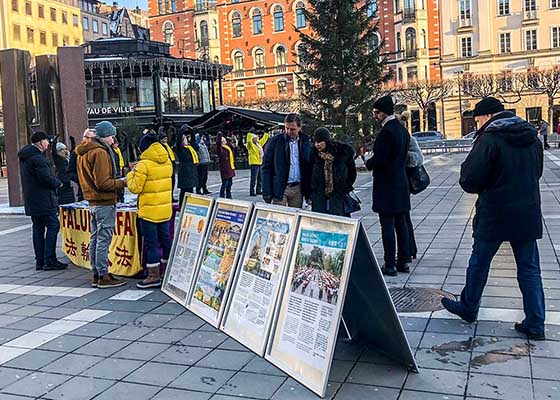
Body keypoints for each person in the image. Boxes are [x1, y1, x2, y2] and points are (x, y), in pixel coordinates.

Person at [441, 97, 546, 340]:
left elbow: (470, 180)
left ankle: (468, 307)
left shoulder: (489, 139)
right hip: (527, 213)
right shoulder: (531, 137)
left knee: (479, 262)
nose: (477, 124)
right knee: (530, 268)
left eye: (477, 119)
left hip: (495, 213)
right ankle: (536, 321)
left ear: (487, 117)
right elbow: (537, 172)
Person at [76, 121, 127, 289]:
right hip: (103, 201)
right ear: (106, 136)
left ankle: (97, 273)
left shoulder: (84, 151)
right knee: (103, 239)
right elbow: (103, 183)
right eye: (112, 136)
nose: (113, 140)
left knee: (95, 238)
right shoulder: (100, 152)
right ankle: (103, 275)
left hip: (92, 201)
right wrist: (123, 182)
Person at [364, 95, 411, 277]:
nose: (375, 116)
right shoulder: (402, 130)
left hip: (387, 185)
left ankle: (390, 263)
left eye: (376, 113)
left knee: (387, 225)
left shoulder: (386, 132)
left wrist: (368, 163)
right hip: (401, 182)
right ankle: (404, 261)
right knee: (402, 223)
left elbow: (381, 159)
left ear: (384, 113)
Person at [127, 133, 173, 289]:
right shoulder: (167, 161)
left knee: (152, 243)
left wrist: (130, 174)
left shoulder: (143, 164)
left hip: (148, 212)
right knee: (165, 240)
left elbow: (134, 187)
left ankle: (153, 275)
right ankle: (167, 271)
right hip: (165, 209)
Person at [18, 132, 67, 271]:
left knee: (38, 228)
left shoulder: (26, 156)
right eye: (47, 140)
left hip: (32, 199)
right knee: (53, 225)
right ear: (40, 142)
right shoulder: (38, 158)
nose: (48, 143)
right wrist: (59, 183)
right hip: (43, 199)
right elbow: (45, 178)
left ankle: (40, 260)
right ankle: (49, 259)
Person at [262, 113, 312, 208]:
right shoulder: (275, 141)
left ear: (299, 127)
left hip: (298, 188)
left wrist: (309, 192)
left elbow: (308, 166)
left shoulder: (305, 141)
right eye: (286, 128)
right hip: (280, 187)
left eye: (292, 129)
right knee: (279, 220)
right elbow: (266, 167)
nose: (289, 131)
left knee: (295, 218)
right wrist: (267, 192)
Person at [309, 127, 356, 216]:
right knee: (321, 221)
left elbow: (352, 172)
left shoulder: (342, 152)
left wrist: (345, 187)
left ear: (326, 141)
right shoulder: (313, 155)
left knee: (339, 221)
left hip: (338, 194)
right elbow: (309, 173)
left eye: (319, 142)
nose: (317, 145)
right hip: (319, 195)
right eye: (315, 142)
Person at [405, 134, 423, 263]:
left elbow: (418, 159)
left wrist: (403, 154)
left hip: (404, 183)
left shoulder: (409, 139)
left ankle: (410, 250)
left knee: (404, 219)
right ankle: (410, 250)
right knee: (404, 219)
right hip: (400, 183)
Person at [175, 125, 199, 206]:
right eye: (185, 138)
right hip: (184, 172)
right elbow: (178, 142)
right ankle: (182, 205)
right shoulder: (181, 149)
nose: (187, 139)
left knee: (191, 190)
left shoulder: (190, 148)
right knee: (184, 191)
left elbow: (193, 141)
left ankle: (189, 205)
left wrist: (191, 131)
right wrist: (181, 131)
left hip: (191, 171)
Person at [246, 131, 269, 196]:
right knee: (254, 178)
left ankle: (258, 190)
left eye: (257, 138)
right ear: (252, 139)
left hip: (260, 162)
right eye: (255, 138)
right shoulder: (250, 146)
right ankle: (252, 191)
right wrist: (249, 134)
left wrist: (266, 132)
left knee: (260, 178)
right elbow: (249, 141)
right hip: (254, 163)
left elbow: (264, 139)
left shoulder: (259, 145)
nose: (257, 139)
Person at [217, 132, 236, 198]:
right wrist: (219, 136)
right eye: (223, 141)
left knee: (230, 183)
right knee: (225, 183)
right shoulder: (220, 149)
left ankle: (228, 194)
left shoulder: (228, 148)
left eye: (224, 140)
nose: (225, 142)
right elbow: (218, 143)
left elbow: (229, 140)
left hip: (229, 167)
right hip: (224, 168)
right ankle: (222, 195)